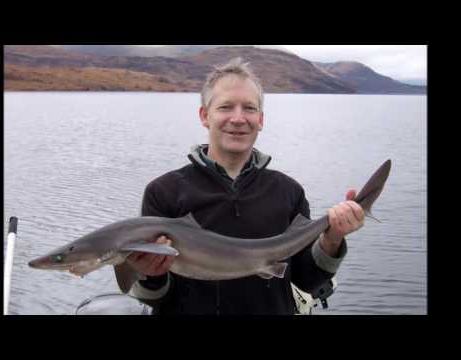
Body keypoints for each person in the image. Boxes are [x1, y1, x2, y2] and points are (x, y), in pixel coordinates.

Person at [125, 57, 365, 315]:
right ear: (205, 116)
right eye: (226, 107)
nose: (238, 118)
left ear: (260, 119)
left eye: (249, 108)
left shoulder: (288, 192)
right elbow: (154, 298)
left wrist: (332, 238)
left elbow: (306, 280)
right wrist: (151, 275)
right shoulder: (164, 192)